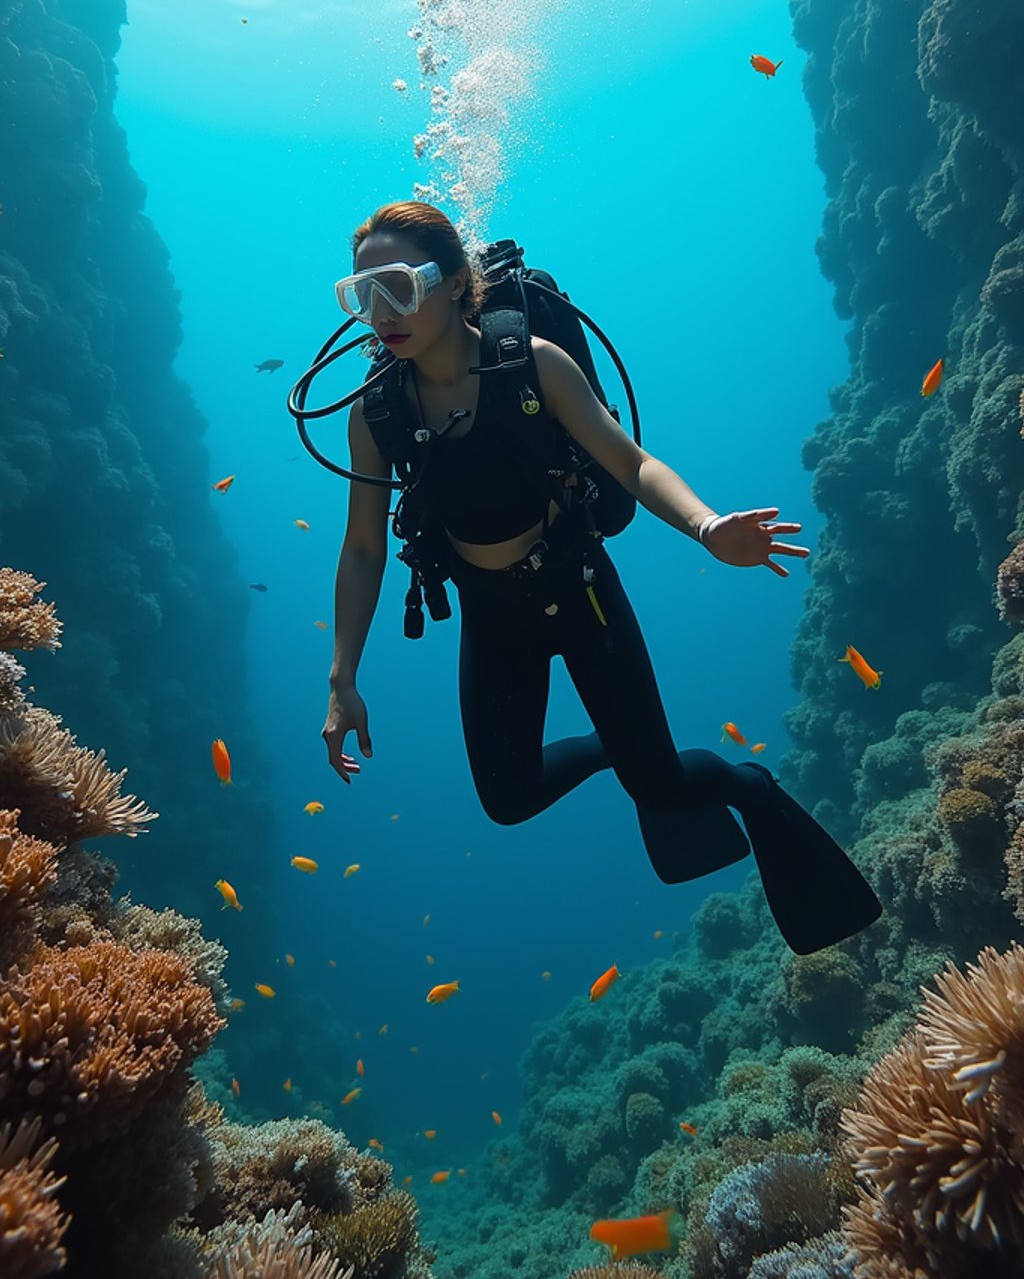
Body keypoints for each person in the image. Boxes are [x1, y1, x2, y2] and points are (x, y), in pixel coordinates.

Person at [321, 201, 881, 955]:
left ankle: (744, 785)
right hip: (494, 616)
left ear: (455, 283)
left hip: (579, 590)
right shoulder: (376, 413)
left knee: (663, 789)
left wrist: (708, 526)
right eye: (362, 295)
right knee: (509, 801)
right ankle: (626, 745)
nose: (380, 313)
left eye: (396, 285)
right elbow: (362, 550)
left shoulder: (535, 364)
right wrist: (342, 677)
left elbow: (633, 464)